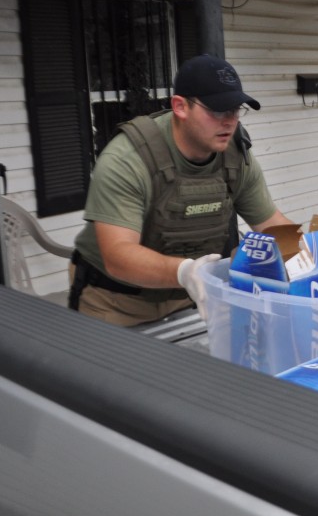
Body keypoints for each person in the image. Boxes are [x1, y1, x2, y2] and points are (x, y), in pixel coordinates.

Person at [69, 54, 295, 326]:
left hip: (191, 295)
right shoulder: (128, 159)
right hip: (116, 300)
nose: (229, 121)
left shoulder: (235, 158)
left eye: (235, 110)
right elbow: (118, 255)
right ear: (180, 107)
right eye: (217, 110)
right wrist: (185, 271)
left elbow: (271, 224)